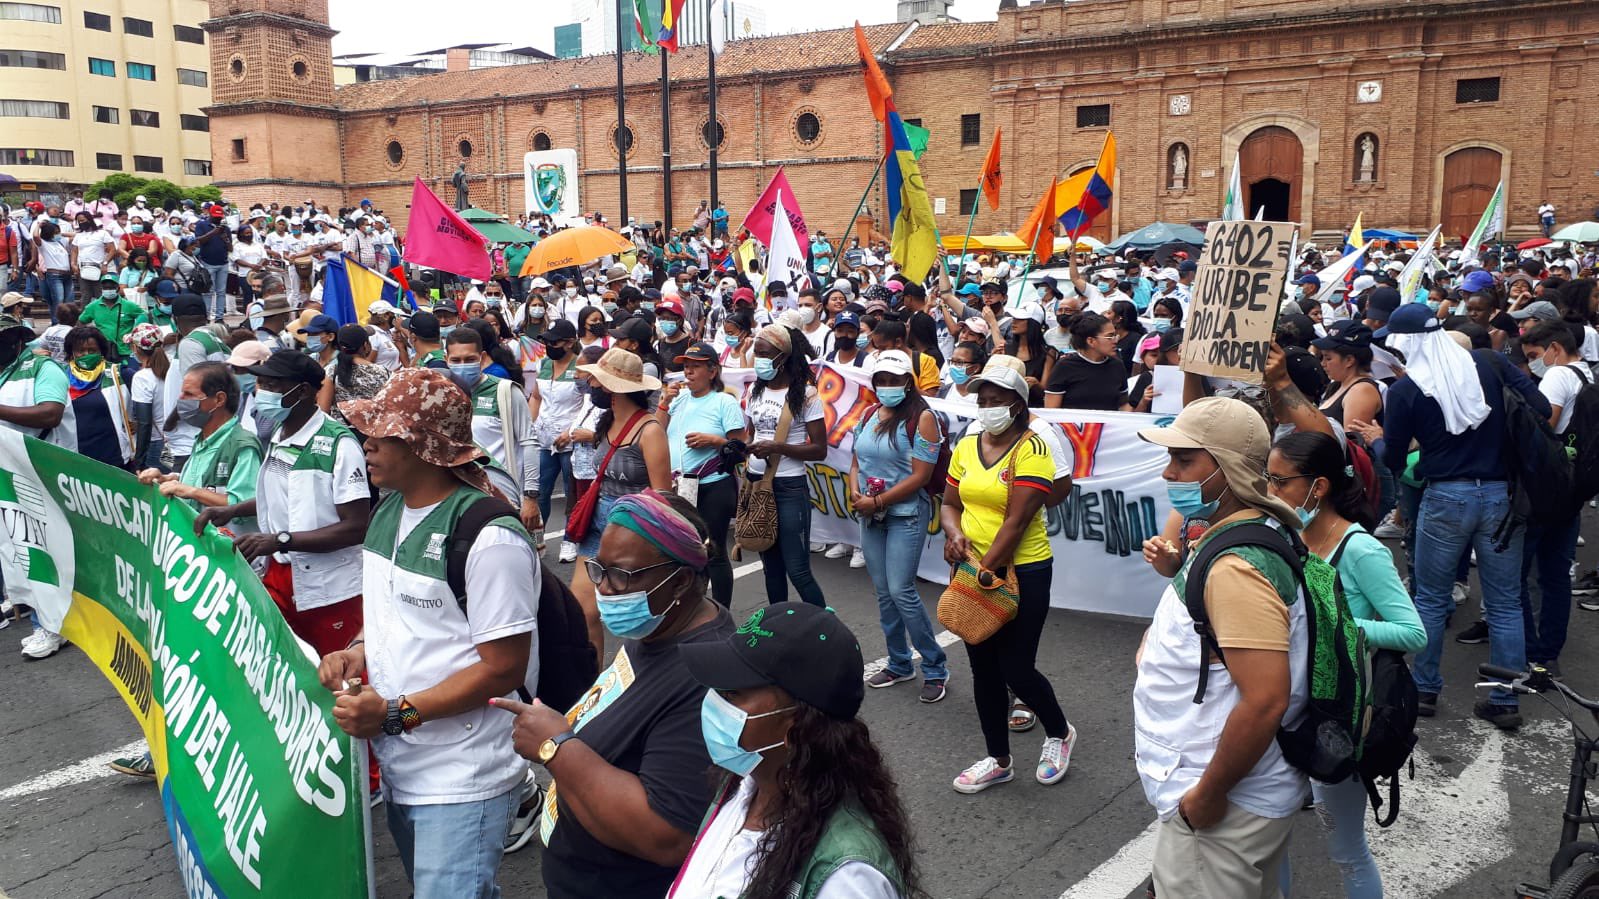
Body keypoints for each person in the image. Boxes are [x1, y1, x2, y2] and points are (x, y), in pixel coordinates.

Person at [319, 367, 537, 897]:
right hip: (403, 765)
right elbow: (396, 612)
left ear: (424, 446)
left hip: (462, 777)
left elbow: (503, 669)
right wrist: (357, 650)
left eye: (383, 435)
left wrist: (395, 715)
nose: (366, 445)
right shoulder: (388, 509)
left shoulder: (489, 538)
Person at [495, 490, 734, 899]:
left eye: (621, 574)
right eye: (599, 569)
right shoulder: (659, 626)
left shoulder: (703, 677)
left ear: (679, 581)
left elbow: (665, 836)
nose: (604, 588)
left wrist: (555, 747)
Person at [1133, 397, 1310, 899]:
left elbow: (1266, 699)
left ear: (1227, 468)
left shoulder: (1236, 566)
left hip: (1223, 800)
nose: (1169, 473)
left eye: (1185, 460)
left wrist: (1208, 795)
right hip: (1231, 787)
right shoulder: (1239, 533)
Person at [1263, 430, 1424, 899]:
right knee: (1269, 845)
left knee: (1347, 851)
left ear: (1319, 486)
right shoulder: (1281, 535)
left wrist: (1341, 626)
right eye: (1267, 478)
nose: (1271, 491)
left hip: (1336, 721)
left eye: (1281, 481)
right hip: (1279, 711)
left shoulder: (1361, 550)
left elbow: (1413, 632)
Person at [669, 602, 919, 898]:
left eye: (732, 693)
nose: (713, 701)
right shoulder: (743, 782)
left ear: (798, 724)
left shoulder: (846, 879)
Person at [1375, 303, 1544, 727]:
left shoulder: (1406, 389)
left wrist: (1385, 442)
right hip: (1501, 495)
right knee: (1505, 602)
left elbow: (1393, 457)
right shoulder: (1490, 363)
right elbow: (1540, 407)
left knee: (1431, 599)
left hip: (1445, 495)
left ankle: (1424, 689)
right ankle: (1504, 699)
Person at [942, 358, 1075, 793]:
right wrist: (954, 535)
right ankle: (998, 759)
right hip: (974, 569)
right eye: (982, 401)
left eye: (995, 400)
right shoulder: (967, 445)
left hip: (1023, 572)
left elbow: (1017, 523)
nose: (987, 408)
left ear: (1017, 404)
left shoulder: (1033, 449)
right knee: (983, 669)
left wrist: (982, 572)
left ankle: (1059, 733)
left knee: (1016, 669)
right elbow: (949, 503)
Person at [198, 350, 370, 663]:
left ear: (302, 391)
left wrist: (281, 540)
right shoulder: (281, 433)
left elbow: (357, 526)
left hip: (329, 587)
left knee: (340, 673)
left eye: (272, 386)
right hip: (278, 573)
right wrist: (233, 511)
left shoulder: (339, 444)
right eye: (260, 384)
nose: (261, 393)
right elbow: (281, 499)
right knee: (280, 667)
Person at [852, 350, 948, 702]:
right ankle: (899, 662)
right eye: (881, 380)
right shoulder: (868, 414)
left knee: (901, 591)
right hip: (871, 514)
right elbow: (856, 461)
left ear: (909, 382)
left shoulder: (923, 418)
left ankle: (935, 667)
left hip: (905, 514)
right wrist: (855, 492)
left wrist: (877, 501)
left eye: (894, 380)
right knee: (884, 592)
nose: (887, 386)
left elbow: (921, 476)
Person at [569, 347, 673, 656]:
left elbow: (662, 496)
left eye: (596, 381)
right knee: (582, 610)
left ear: (614, 388)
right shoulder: (605, 422)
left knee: (633, 618)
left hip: (634, 528)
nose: (591, 385)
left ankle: (643, 675)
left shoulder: (650, 431)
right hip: (598, 521)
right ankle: (592, 680)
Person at [1514, 320, 1586, 678]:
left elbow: (1546, 423)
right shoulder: (1587, 374)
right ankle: (1549, 653)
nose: (1533, 364)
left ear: (1555, 348)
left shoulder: (1557, 376)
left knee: (1519, 572)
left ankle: (1529, 650)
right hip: (1573, 487)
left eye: (1534, 355)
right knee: (1556, 575)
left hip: (1544, 488)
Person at [745, 324, 828, 606]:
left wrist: (778, 447)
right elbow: (751, 434)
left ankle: (823, 626)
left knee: (798, 570)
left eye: (764, 354)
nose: (759, 360)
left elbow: (819, 449)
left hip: (789, 487)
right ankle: (778, 623)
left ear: (783, 357)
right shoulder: (755, 391)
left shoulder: (806, 394)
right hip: (757, 485)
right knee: (772, 568)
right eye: (756, 353)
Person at [658, 341, 746, 607]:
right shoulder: (679, 399)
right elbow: (656, 432)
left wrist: (714, 441)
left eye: (695, 367)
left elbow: (741, 448)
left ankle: (721, 611)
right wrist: (664, 403)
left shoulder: (724, 401)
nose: (689, 372)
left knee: (713, 551)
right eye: (686, 366)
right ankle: (692, 608)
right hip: (681, 487)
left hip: (713, 484)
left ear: (712, 371)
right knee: (683, 550)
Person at [444, 327, 541, 534]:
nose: (463, 366)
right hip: (458, 497)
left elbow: (529, 443)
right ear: (446, 360)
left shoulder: (505, 391)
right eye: (456, 360)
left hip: (501, 496)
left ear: (482, 357)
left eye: (470, 359)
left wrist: (530, 496)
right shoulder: (442, 395)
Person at [62, 325, 133, 469]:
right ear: (72, 353)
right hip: (73, 458)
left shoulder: (119, 374)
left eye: (92, 350)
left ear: (101, 351)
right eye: (81, 351)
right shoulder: (59, 377)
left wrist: (138, 422)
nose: (86, 354)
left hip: (113, 457)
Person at [1044, 312, 1129, 410]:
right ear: (1091, 341)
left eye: (1115, 335)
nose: (1115, 341)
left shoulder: (1117, 365)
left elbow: (1123, 404)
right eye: (1110, 337)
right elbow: (1052, 410)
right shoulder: (1065, 366)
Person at [318, 323, 390, 426]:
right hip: (374, 431)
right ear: (366, 345)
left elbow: (323, 411)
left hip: (343, 432)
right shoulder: (383, 372)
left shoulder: (331, 372)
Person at [124, 323, 170, 471]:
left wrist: (139, 461)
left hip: (156, 445)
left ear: (136, 348)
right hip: (175, 441)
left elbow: (145, 423)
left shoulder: (142, 378)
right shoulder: (172, 370)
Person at [79, 272, 143, 360]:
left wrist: (135, 333)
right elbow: (81, 322)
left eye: (111, 287)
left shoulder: (129, 305)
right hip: (102, 352)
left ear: (118, 288)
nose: (108, 290)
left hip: (126, 352)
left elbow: (144, 316)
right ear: (101, 289)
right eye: (105, 288)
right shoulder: (93, 306)